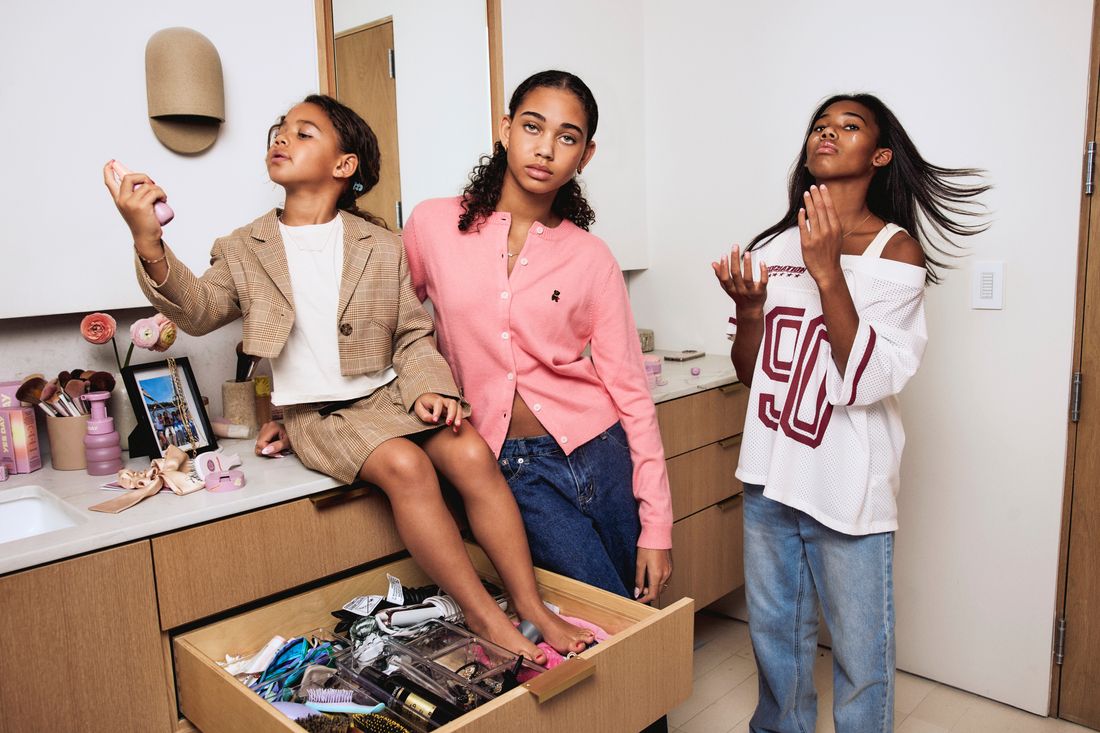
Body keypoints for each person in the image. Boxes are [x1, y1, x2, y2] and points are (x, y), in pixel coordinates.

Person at [103, 93, 594, 664]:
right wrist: (148, 239)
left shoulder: (380, 244)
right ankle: (487, 619)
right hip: (320, 415)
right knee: (406, 465)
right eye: (280, 130)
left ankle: (531, 606)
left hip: (388, 395)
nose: (281, 138)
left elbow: (412, 334)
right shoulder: (243, 248)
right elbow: (198, 310)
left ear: (344, 165)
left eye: (303, 132)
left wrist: (431, 388)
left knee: (469, 451)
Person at [712, 93, 988, 732]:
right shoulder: (776, 245)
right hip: (770, 474)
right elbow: (752, 374)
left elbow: (866, 380)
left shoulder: (896, 252)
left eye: (849, 125)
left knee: (862, 654)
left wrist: (828, 272)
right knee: (775, 638)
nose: (827, 133)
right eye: (820, 125)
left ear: (880, 155)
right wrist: (749, 312)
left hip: (847, 482)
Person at [402, 70, 673, 606]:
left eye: (567, 137)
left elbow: (631, 392)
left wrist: (657, 526)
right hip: (508, 466)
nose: (545, 148)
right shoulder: (432, 225)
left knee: (641, 613)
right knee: (601, 613)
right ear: (506, 129)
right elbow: (391, 328)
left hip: (602, 451)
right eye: (532, 126)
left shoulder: (591, 257)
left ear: (585, 156)